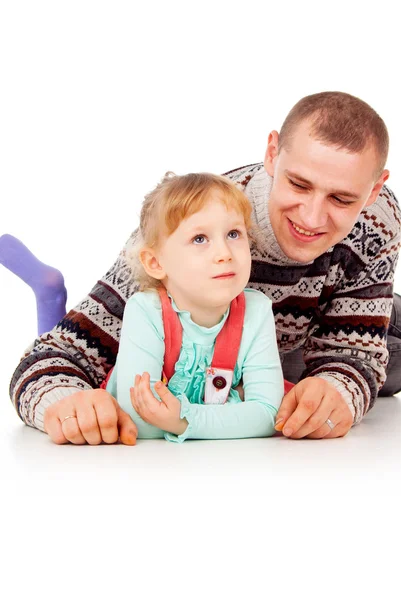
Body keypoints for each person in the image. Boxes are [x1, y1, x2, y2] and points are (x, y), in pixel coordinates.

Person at [8, 91, 401, 444]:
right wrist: (65, 406)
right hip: (260, 367)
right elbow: (53, 357)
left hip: (349, 338)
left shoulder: (380, 220)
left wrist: (337, 390)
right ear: (272, 153)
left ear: (374, 189)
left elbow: (356, 353)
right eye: (299, 184)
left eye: (342, 199)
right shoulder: (192, 224)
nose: (313, 217)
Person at [97, 172, 283, 443]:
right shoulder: (146, 311)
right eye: (199, 239)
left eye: (233, 234)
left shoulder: (256, 311)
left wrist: (183, 420)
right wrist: (235, 410)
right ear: (155, 263)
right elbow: (139, 421)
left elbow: (269, 415)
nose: (225, 254)